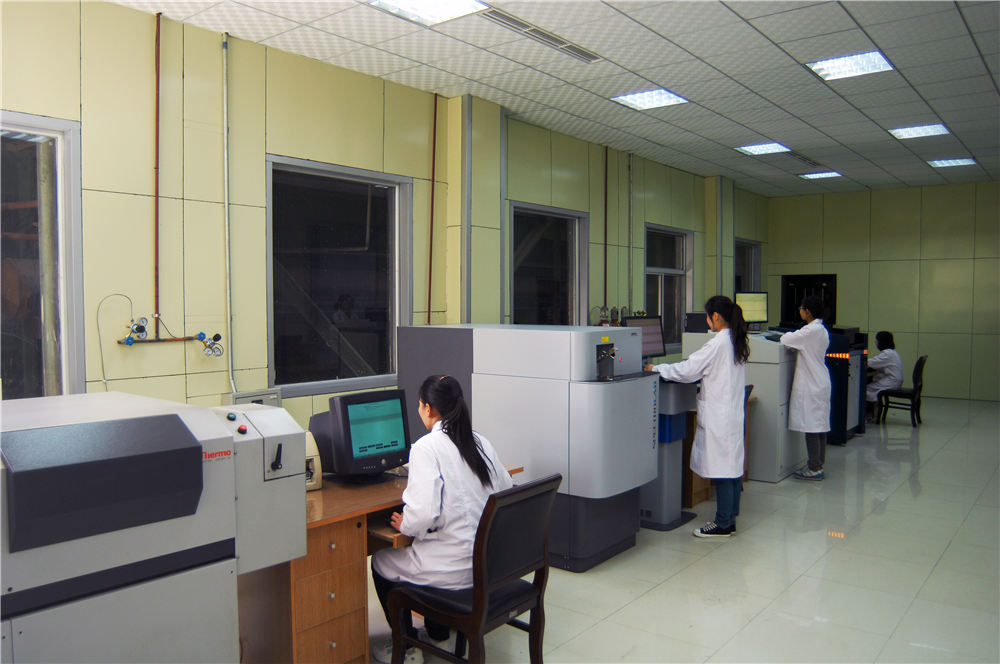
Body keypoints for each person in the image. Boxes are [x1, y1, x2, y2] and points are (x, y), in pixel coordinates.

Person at [371, 375, 513, 663]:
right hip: (485, 568)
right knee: (425, 548)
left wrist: (405, 523)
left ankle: (406, 645)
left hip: (451, 571)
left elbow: (422, 515)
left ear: (428, 408)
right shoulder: (479, 442)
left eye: (420, 405)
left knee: (380, 561)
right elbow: (506, 488)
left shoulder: (426, 448)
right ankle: (438, 633)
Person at [644, 295, 749, 538]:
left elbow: (688, 370)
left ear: (715, 316)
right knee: (732, 468)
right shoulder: (735, 340)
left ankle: (723, 524)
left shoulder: (718, 343)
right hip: (731, 414)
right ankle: (730, 518)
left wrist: (656, 368)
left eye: (708, 316)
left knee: (723, 470)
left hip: (720, 416)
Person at [780, 295, 831, 481]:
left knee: (812, 427)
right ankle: (818, 464)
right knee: (819, 426)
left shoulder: (810, 330)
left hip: (812, 384)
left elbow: (786, 339)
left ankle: (814, 468)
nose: (800, 311)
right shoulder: (821, 330)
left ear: (807, 312)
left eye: (801, 308)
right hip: (820, 381)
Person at [866, 331, 903, 419]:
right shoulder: (892, 352)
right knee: (870, 387)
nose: (875, 342)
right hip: (895, 381)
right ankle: (870, 413)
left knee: (864, 390)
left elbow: (868, 363)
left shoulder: (887, 354)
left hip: (891, 382)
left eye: (876, 340)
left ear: (882, 341)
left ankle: (868, 414)